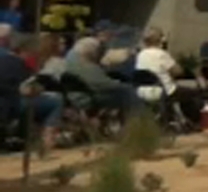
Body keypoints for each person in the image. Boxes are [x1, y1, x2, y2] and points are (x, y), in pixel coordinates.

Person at [1, 25, 62, 156]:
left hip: (6, 102)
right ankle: (47, 141)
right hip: (13, 103)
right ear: (23, 50)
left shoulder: (3, 60)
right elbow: (27, 88)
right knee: (56, 101)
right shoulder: (19, 65)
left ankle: (22, 136)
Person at [135, 27, 201, 125]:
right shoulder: (161, 54)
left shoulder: (141, 55)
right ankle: (194, 122)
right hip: (164, 91)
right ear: (161, 40)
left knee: (181, 93)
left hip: (143, 91)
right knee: (191, 93)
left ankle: (171, 117)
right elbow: (178, 71)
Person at [64, 36, 139, 119]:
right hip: (85, 99)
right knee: (127, 93)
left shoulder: (71, 54)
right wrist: (125, 86)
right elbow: (104, 84)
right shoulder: (85, 65)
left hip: (76, 95)